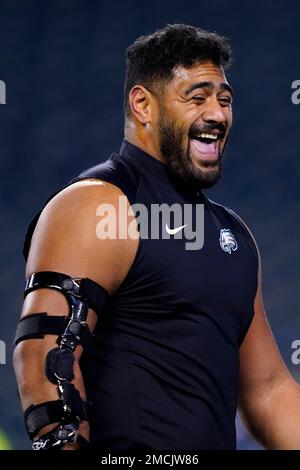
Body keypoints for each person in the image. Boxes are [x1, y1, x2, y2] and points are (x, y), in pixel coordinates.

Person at [13, 24, 300, 451]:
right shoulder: (98, 206)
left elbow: (268, 390)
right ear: (143, 104)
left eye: (224, 100)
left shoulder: (231, 235)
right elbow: (47, 357)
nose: (218, 115)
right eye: (197, 97)